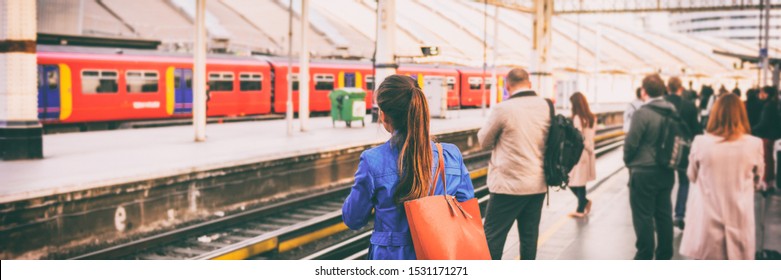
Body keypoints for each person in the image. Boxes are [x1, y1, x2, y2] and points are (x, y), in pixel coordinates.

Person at [341, 75, 475, 260]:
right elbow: (467, 206)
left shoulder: (372, 160)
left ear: (384, 115)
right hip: (441, 253)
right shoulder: (451, 155)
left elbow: (353, 219)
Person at [679, 94, 764, 260]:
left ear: (714, 114)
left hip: (707, 222)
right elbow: (758, 180)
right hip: (740, 220)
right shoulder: (755, 144)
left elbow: (692, 175)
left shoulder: (700, 142)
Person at [478, 68, 549, 260]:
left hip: (508, 186)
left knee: (493, 237)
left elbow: (483, 141)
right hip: (537, 184)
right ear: (530, 83)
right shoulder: (545, 106)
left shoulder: (504, 109)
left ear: (507, 86)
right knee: (529, 237)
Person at [624, 74, 677, 260]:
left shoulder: (642, 113)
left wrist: (628, 161)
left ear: (644, 91)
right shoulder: (672, 110)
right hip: (667, 171)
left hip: (644, 171)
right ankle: (664, 255)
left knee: (643, 216)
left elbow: (631, 144)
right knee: (664, 215)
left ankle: (644, 256)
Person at [665, 77, 702, 230]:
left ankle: (663, 215)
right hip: (684, 149)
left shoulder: (661, 103)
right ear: (681, 89)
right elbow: (697, 131)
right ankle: (679, 215)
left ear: (668, 88)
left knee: (665, 183)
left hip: (664, 150)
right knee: (684, 182)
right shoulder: (689, 106)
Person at [567, 92, 597, 218]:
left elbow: (579, 137)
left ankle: (581, 206)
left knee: (571, 180)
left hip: (580, 152)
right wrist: (590, 147)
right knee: (581, 181)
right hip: (589, 152)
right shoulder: (592, 117)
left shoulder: (577, 118)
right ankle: (582, 205)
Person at [752, 86, 780, 190]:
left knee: (766, 159)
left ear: (766, 94)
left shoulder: (768, 106)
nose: (760, 95)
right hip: (773, 135)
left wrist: (752, 129)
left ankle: (766, 182)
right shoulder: (774, 104)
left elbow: (764, 123)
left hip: (768, 135)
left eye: (761, 92)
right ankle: (771, 181)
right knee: (770, 160)